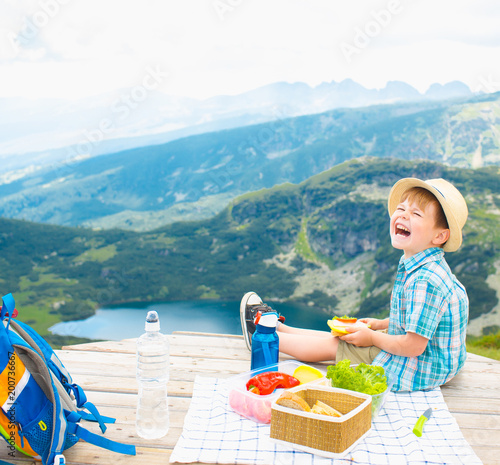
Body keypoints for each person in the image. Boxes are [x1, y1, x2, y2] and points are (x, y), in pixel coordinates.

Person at [240, 177, 469, 392]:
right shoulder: (426, 267)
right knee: (344, 335)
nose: (403, 216)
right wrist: (381, 324)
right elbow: (418, 319)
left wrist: (371, 338)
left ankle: (262, 340)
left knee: (341, 347)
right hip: (434, 358)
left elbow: (413, 346)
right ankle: (278, 329)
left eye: (416, 214)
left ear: (439, 236)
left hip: (420, 367)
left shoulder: (425, 280)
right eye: (401, 209)